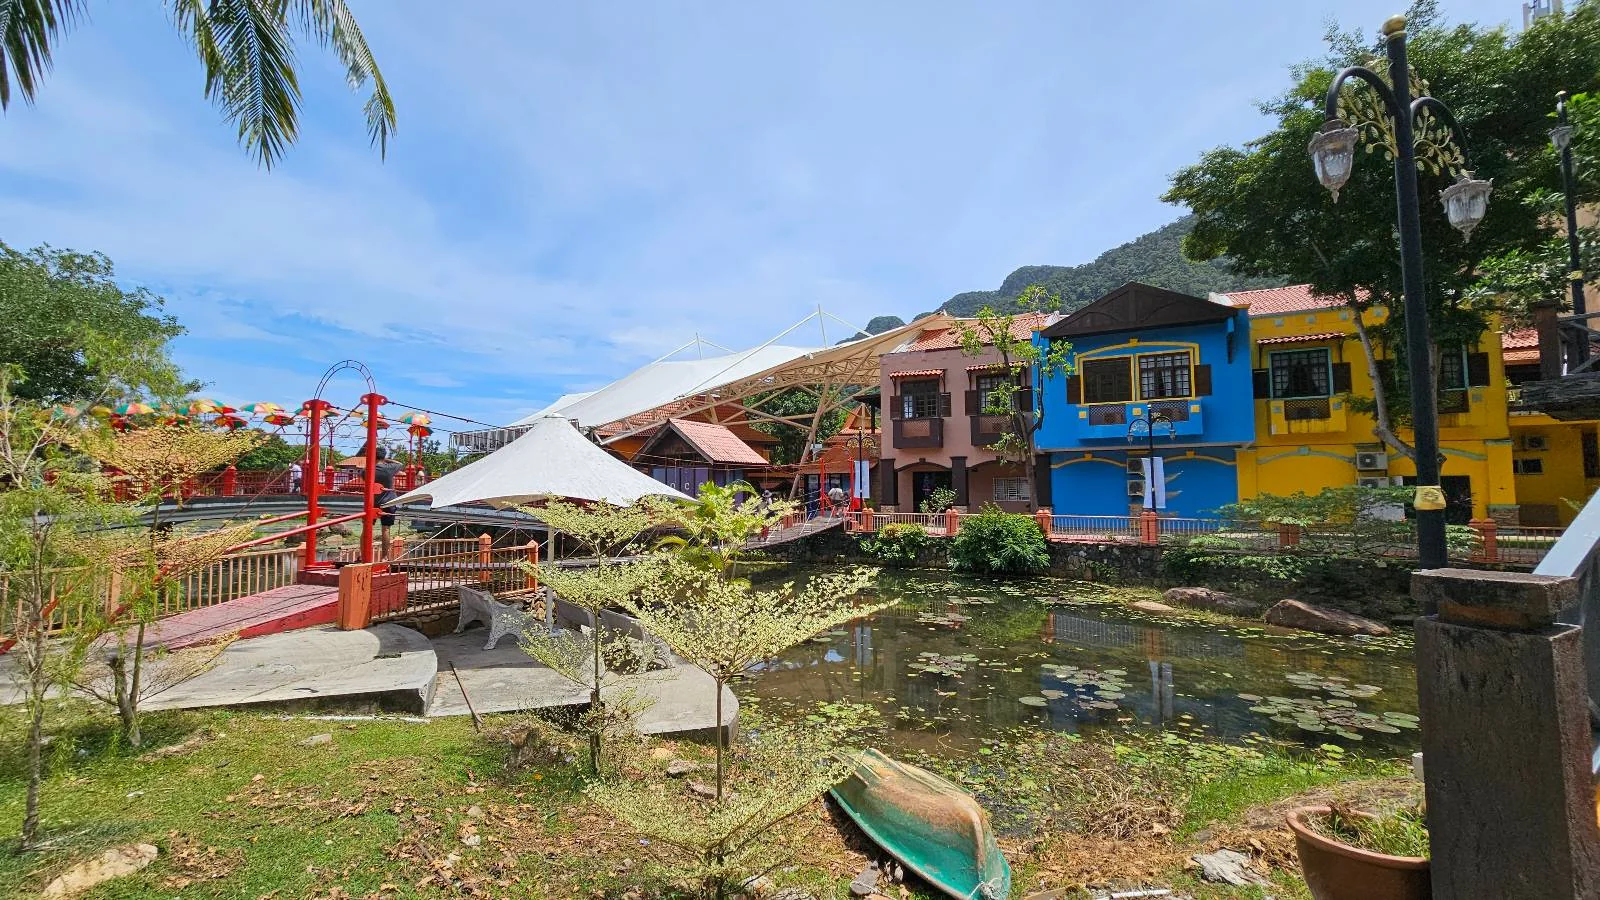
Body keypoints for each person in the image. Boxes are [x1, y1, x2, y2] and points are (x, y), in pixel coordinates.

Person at [373, 447, 404, 560]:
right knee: (385, 529)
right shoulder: (389, 469)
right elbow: (400, 464)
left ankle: (362, 555)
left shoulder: (367, 469)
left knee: (367, 528)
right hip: (389, 501)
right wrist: (386, 460)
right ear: (383, 456)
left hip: (372, 502)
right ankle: (384, 557)